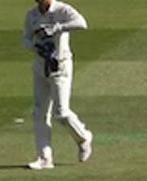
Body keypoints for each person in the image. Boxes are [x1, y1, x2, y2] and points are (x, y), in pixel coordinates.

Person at [22, 0, 94, 170]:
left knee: (61, 112)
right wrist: (34, 47)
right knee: (39, 112)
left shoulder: (62, 10)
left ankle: (83, 138)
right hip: (40, 66)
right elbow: (25, 37)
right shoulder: (31, 14)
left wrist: (58, 27)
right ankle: (45, 158)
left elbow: (81, 23)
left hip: (60, 66)